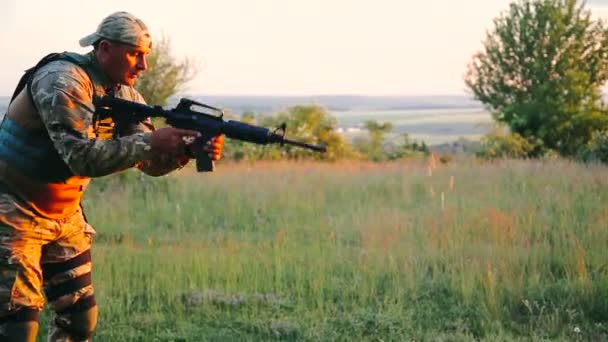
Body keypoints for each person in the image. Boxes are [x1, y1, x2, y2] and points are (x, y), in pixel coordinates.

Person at [0, 11, 224, 341]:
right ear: (105, 49)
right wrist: (152, 140)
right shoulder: (63, 81)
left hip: (65, 216)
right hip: (14, 211)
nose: (143, 66)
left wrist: (184, 150)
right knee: (17, 328)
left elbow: (149, 162)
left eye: (146, 56)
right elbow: (81, 159)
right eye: (135, 54)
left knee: (80, 320)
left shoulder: (126, 96)